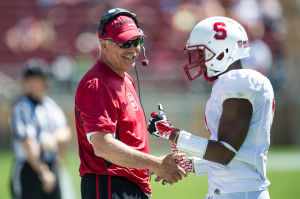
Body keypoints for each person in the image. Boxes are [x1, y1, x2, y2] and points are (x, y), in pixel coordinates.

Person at [148, 16, 275, 199]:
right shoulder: (241, 82)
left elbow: (225, 153)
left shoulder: (237, 82)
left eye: (202, 52)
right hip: (234, 192)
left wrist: (173, 134)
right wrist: (191, 165)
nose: (199, 58)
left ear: (222, 52)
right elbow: (239, 159)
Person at [74, 8, 186, 199]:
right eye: (125, 42)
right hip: (110, 185)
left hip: (128, 186)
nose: (133, 49)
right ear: (104, 45)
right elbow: (102, 145)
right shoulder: (97, 83)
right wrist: (155, 164)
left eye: (137, 41)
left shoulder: (125, 79)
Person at [10, 58, 72, 199]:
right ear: (29, 81)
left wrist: (53, 138)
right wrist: (43, 171)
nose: (46, 82)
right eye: (41, 78)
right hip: (30, 168)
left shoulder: (50, 105)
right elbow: (27, 142)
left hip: (51, 165)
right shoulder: (22, 107)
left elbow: (66, 132)